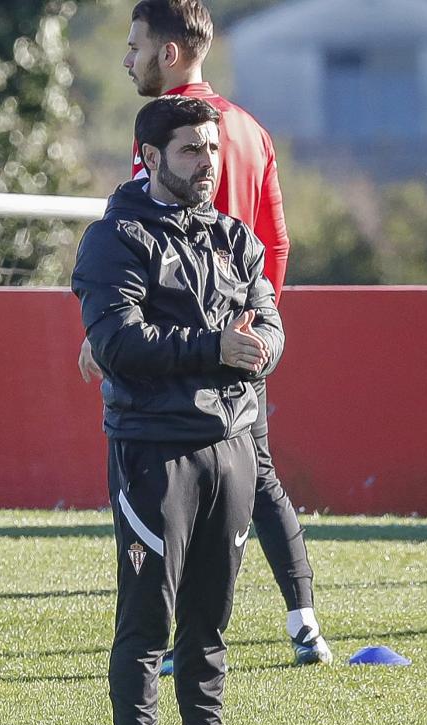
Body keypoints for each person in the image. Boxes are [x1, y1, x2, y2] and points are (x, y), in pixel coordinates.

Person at [80, 0, 331, 665]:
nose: (127, 59)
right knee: (263, 478)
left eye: (134, 46)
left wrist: (210, 336)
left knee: (180, 498)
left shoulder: (169, 136)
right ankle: (304, 620)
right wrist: (258, 328)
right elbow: (275, 241)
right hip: (240, 345)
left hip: (190, 362)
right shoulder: (249, 128)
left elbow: (154, 236)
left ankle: (174, 647)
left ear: (169, 52)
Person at [73, 95, 286, 725]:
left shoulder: (233, 236)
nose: (207, 164)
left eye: (212, 150)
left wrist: (259, 352)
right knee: (146, 619)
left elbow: (273, 323)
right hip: (153, 453)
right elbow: (118, 344)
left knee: (210, 619)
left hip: (230, 447)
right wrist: (216, 348)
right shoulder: (116, 239)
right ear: (152, 156)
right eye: (192, 151)